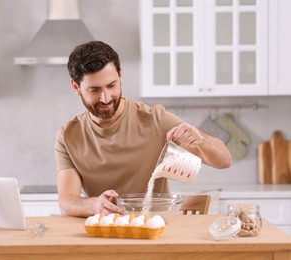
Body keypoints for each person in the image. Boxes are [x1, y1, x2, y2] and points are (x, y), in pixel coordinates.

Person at [54, 41, 232, 217]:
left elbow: (224, 160)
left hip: (152, 231)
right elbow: (67, 202)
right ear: (76, 87)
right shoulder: (69, 135)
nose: (105, 98)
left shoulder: (155, 120)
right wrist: (94, 205)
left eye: (111, 85)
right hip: (102, 232)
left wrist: (200, 138)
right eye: (94, 90)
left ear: (120, 76)